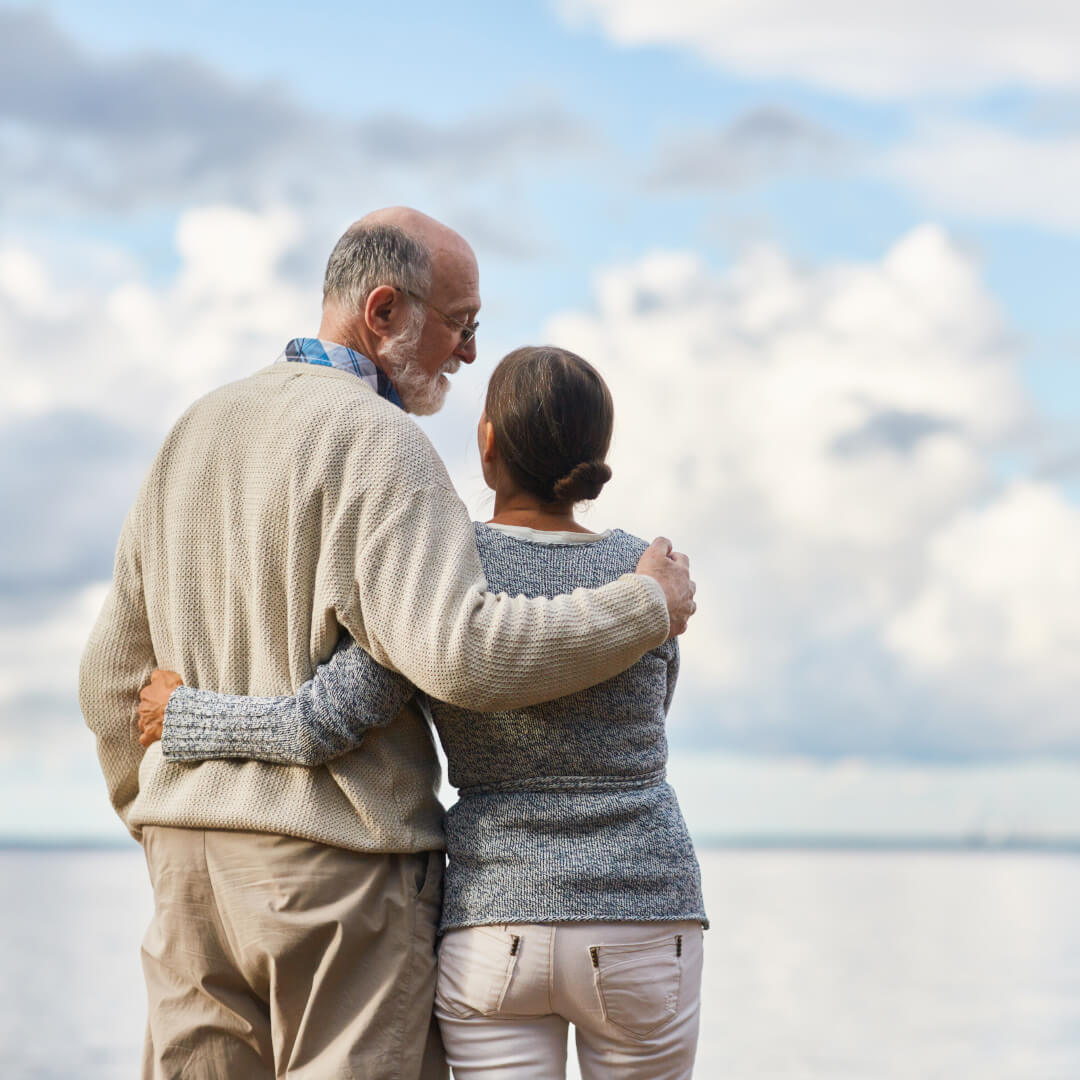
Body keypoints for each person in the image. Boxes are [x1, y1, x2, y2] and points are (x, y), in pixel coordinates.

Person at [78, 208, 697, 1080]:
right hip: (334, 875)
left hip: (188, 867)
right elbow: (460, 656)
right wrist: (644, 606)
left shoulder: (193, 430)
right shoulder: (383, 444)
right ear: (383, 311)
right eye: (462, 323)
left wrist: (162, 815)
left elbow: (110, 679)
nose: (471, 353)